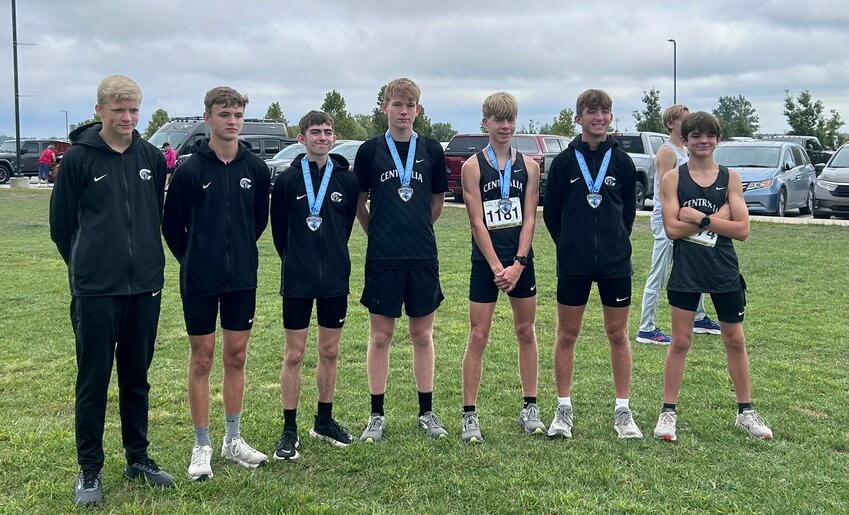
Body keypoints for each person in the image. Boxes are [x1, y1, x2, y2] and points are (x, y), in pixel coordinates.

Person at [49, 74, 174, 507]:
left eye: (133, 110)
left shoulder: (152, 157)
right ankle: (89, 469)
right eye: (118, 109)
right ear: (99, 110)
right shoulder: (79, 160)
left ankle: (137, 458)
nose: (127, 117)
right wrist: (89, 266)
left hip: (144, 288)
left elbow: (152, 215)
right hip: (96, 290)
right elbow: (62, 227)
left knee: (136, 376)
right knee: (94, 380)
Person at [162, 86, 271, 481]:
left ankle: (233, 439)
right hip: (200, 278)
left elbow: (257, 221)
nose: (232, 121)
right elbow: (172, 226)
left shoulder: (256, 170)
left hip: (241, 277)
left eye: (238, 114)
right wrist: (195, 258)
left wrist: (237, 253)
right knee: (203, 358)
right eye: (224, 114)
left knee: (236, 357)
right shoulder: (191, 169)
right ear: (207, 118)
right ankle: (202, 444)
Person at [653, 111, 772, 441]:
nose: (703, 140)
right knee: (680, 341)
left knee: (734, 339)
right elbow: (672, 228)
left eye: (709, 135)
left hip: (723, 270)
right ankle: (668, 413)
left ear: (718, 140)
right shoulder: (673, 179)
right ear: (685, 140)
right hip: (687, 271)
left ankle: (745, 412)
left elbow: (743, 229)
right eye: (695, 135)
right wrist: (717, 217)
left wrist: (701, 218)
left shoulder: (730, 177)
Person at [542, 89, 643, 439]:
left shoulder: (623, 162)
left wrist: (615, 241)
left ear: (611, 118)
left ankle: (623, 410)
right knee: (567, 334)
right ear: (578, 118)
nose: (599, 117)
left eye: (605, 112)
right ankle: (563, 408)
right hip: (574, 263)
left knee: (617, 334)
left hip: (616, 264)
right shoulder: (564, 163)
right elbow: (552, 215)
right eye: (591, 112)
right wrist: (571, 245)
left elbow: (627, 213)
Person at [354, 77, 449, 442]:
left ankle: (426, 411)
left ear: (418, 110)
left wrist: (417, 227)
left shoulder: (432, 150)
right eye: (397, 104)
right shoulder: (370, 151)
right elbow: (360, 201)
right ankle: (376, 414)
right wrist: (377, 232)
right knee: (380, 337)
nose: (404, 111)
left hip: (422, 255)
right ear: (385, 108)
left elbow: (437, 202)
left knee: (422, 335)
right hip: (383, 257)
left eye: (410, 106)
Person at [270, 111, 359, 461]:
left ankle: (323, 420)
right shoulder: (289, 180)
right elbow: (279, 232)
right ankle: (289, 428)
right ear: (301, 138)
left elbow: (346, 227)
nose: (322, 137)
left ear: (333, 138)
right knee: (294, 354)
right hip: (298, 279)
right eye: (315, 132)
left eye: (328, 132)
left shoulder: (346, 181)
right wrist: (296, 260)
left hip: (335, 279)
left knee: (330, 352)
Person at [459, 92, 544, 444]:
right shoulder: (472, 167)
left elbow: (529, 217)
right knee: (478, 335)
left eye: (510, 119)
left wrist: (519, 264)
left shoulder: (531, 166)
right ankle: (469, 415)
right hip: (487, 263)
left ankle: (530, 407)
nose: (505, 126)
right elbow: (477, 221)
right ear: (486, 124)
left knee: (526, 331)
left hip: (520, 263)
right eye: (498, 120)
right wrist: (498, 267)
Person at [637, 105, 721, 345]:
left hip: (688, 219)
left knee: (695, 264)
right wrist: (675, 218)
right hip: (668, 220)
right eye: (682, 120)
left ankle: (699, 316)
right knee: (659, 272)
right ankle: (647, 327)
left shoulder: (685, 149)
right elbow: (665, 190)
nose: (687, 122)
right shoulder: (667, 151)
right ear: (670, 124)